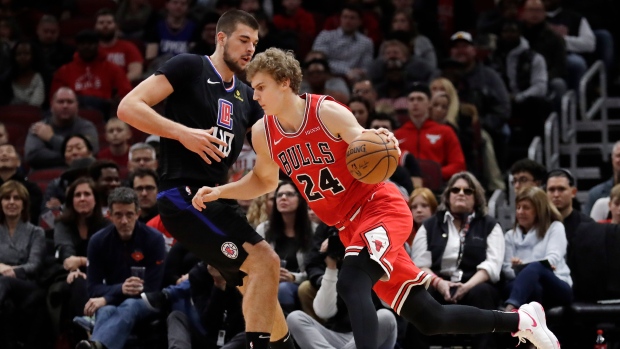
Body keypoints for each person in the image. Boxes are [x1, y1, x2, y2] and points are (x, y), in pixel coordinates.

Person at [192, 47, 561, 349]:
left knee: (353, 280)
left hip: (379, 208)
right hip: (350, 228)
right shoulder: (263, 133)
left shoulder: (327, 111)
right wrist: (222, 191)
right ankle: (522, 320)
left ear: (284, 83)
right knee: (430, 319)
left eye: (260, 87)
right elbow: (263, 180)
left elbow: (369, 145)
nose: (254, 96)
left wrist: (386, 145)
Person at [117, 10, 293, 349]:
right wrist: (183, 134)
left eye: (255, 44)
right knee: (263, 261)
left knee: (259, 277)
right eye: (244, 40)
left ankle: (284, 345)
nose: (249, 50)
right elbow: (128, 107)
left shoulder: (247, 96)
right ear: (221, 37)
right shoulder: (189, 67)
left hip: (217, 199)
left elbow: (278, 132)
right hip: (181, 196)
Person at [410, 172, 505, 349]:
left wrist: (467, 286)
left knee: (483, 293)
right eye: (455, 189)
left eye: (467, 191)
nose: (461, 193)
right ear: (448, 196)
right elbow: (420, 264)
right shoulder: (430, 225)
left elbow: (492, 265)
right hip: (437, 283)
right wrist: (440, 283)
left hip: (474, 285)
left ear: (476, 197)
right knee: (420, 293)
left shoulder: (490, 225)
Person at [75, 187, 166, 349]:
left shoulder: (154, 239)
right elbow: (93, 288)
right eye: (118, 215)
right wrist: (120, 290)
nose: (124, 221)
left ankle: (95, 344)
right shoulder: (98, 241)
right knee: (105, 311)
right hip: (114, 301)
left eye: (129, 214)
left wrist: (108, 297)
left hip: (148, 302)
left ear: (137, 214)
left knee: (128, 305)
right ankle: (96, 346)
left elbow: (153, 288)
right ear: (109, 216)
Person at [502, 186, 572, 312]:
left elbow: (552, 259)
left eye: (526, 208)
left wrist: (526, 267)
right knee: (533, 287)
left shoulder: (555, 228)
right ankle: (529, 326)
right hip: (525, 287)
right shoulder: (509, 236)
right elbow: (507, 269)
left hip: (555, 283)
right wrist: (517, 269)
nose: (520, 212)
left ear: (539, 210)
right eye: (518, 207)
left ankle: (510, 308)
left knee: (537, 267)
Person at [0, 180, 48, 349]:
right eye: (6, 198)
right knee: (6, 306)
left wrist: (9, 271)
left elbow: (33, 265)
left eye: (16, 198)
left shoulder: (36, 232)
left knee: (4, 281)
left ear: (24, 204)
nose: (11, 202)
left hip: (26, 285)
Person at [257, 181, 314, 314]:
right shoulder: (263, 229)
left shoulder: (313, 230)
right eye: (279, 195)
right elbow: (257, 263)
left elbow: (316, 270)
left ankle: (286, 332)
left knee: (283, 289)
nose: (283, 198)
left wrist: (293, 277)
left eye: (289, 194)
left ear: (300, 199)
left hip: (299, 284)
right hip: (269, 283)